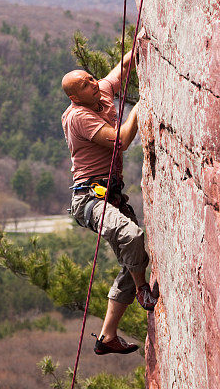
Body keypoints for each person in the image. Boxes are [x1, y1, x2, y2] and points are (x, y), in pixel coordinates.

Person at [61, 50, 158, 356]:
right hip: (88, 198)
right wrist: (142, 105)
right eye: (86, 84)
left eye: (91, 79)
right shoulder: (78, 117)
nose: (94, 83)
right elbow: (123, 140)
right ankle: (143, 290)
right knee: (132, 238)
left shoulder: (99, 92)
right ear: (76, 97)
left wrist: (141, 43)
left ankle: (107, 337)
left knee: (135, 259)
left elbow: (122, 67)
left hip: (110, 195)